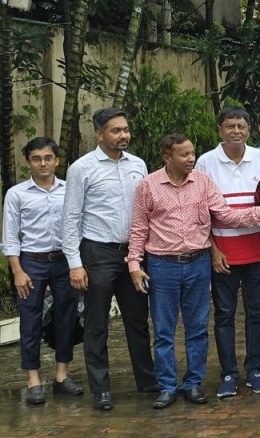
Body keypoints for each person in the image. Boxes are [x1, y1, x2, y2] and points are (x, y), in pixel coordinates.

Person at [127, 134, 260, 409]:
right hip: (162, 265)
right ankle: (167, 387)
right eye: (184, 154)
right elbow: (138, 229)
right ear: (167, 157)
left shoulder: (203, 182)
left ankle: (193, 383)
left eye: (192, 153)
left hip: (198, 263)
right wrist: (134, 265)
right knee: (163, 330)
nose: (191, 159)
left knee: (197, 328)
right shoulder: (148, 186)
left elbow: (227, 215)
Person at [62, 108, 156, 410]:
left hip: (134, 253)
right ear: (99, 134)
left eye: (125, 129)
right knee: (97, 323)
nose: (123, 135)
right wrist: (75, 263)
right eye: (116, 130)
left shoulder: (138, 165)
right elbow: (71, 218)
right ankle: (101, 389)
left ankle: (147, 381)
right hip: (97, 253)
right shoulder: (82, 168)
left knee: (138, 320)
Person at [195, 107, 260, 398]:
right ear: (220, 129)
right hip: (224, 255)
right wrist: (213, 250)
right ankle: (228, 373)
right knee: (224, 315)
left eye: (241, 126)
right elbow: (199, 213)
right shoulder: (205, 162)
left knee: (258, 313)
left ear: (249, 130)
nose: (236, 131)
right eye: (230, 126)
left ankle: (255, 371)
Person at [3, 137, 83, 405]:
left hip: (64, 260)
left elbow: (78, 226)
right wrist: (17, 270)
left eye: (48, 158)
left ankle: (62, 376)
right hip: (31, 262)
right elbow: (10, 236)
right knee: (30, 319)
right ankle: (33, 380)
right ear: (29, 162)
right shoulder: (17, 194)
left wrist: (78, 263)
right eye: (36, 159)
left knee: (67, 317)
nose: (43, 163)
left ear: (56, 160)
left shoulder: (69, 190)